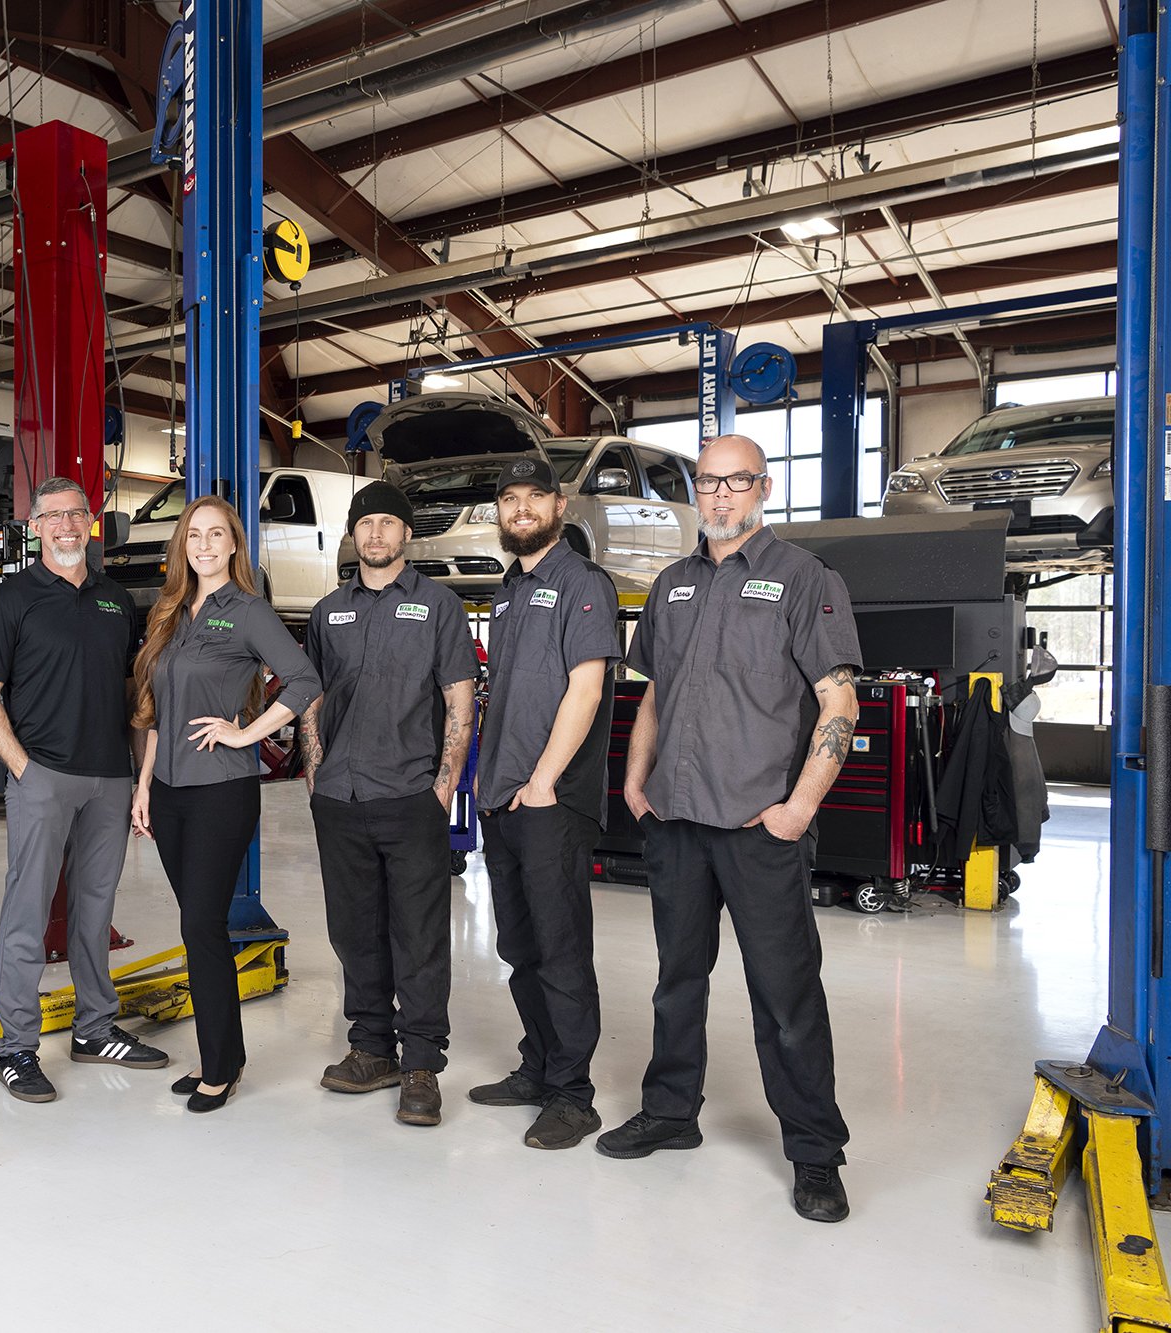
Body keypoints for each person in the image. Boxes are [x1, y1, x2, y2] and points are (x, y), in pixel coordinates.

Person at [601, 434, 861, 1224]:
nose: (719, 496)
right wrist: (634, 778)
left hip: (759, 829)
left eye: (735, 481)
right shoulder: (671, 585)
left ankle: (815, 1152)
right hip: (677, 823)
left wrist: (800, 808)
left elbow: (838, 703)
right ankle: (672, 1109)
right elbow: (653, 694)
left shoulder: (803, 579)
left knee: (784, 995)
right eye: (708, 482)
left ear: (764, 487)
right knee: (676, 981)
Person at [0, 476, 169, 1103]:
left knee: (95, 909)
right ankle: (17, 1047)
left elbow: (136, 698)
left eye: (75, 514)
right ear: (35, 528)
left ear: (92, 521)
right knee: (27, 913)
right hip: (44, 776)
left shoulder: (116, 601)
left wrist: (139, 777)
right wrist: (23, 769)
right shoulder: (12, 599)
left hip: (109, 778)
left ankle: (95, 1028)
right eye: (51, 516)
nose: (64, 525)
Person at [129, 496, 320, 1112]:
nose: (205, 544)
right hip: (169, 793)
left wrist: (245, 732)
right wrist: (143, 786)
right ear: (181, 544)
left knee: (200, 925)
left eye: (217, 534)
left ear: (235, 545)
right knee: (198, 927)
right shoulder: (168, 613)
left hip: (220, 792)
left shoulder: (248, 612)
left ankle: (220, 1067)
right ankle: (225, 1056)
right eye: (194, 534)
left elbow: (307, 678)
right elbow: (155, 710)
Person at [302, 480, 478, 1128]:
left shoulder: (439, 607)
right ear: (354, 534)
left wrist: (443, 784)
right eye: (365, 523)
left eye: (387, 523)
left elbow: (460, 699)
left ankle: (423, 1062)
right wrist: (316, 768)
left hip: (410, 796)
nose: (376, 533)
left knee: (419, 934)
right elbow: (312, 697)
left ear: (407, 533)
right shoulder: (329, 611)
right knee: (354, 931)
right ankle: (371, 1046)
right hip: (341, 795)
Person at [465, 457, 620, 1151]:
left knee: (559, 947)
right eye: (508, 500)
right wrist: (490, 781)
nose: (520, 509)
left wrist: (544, 780)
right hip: (504, 795)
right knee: (519, 943)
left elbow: (584, 691)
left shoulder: (583, 584)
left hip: (550, 799)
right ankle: (539, 1063)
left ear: (559, 506)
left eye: (533, 498)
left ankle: (573, 1093)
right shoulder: (507, 591)